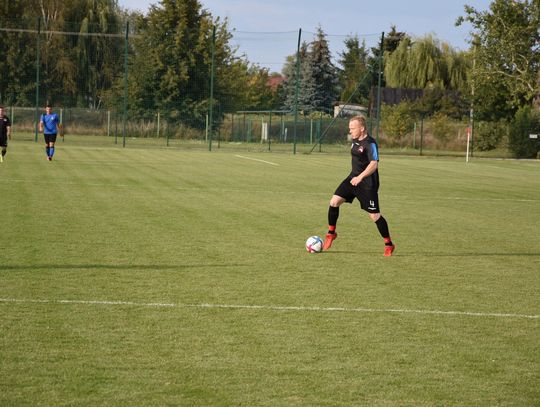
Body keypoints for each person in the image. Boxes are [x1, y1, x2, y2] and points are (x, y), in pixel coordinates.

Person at [323, 115, 395, 256]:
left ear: (362, 128)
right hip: (352, 179)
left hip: (367, 184)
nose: (350, 131)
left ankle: (389, 244)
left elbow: (374, 164)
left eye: (353, 128)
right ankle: (331, 233)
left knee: (374, 216)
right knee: (334, 202)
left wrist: (360, 177)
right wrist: (355, 177)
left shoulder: (370, 143)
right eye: (350, 128)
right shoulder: (355, 140)